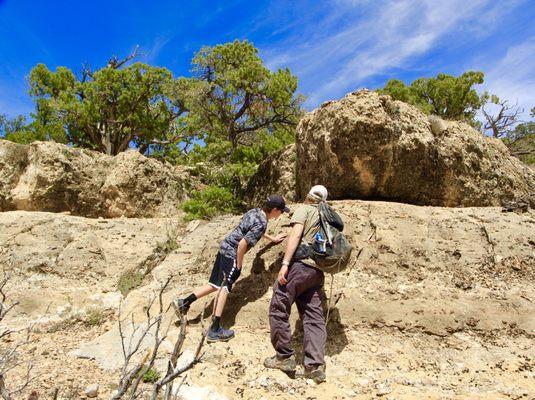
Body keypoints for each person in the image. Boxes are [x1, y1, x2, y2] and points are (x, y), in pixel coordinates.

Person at [173, 194, 290, 343]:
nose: (281, 214)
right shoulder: (262, 223)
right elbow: (242, 244)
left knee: (215, 284)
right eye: (281, 211)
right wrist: (239, 265)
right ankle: (214, 329)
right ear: (274, 210)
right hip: (232, 254)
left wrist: (271, 239)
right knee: (225, 288)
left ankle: (184, 302)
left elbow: (250, 230)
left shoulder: (254, 212)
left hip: (224, 247)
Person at [264, 185, 329, 383]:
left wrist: (285, 264)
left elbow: (295, 235)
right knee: (314, 317)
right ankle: (314, 367)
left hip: (299, 267)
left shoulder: (304, 209)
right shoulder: (325, 216)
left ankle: (284, 357)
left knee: (278, 307)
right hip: (317, 272)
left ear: (309, 195)